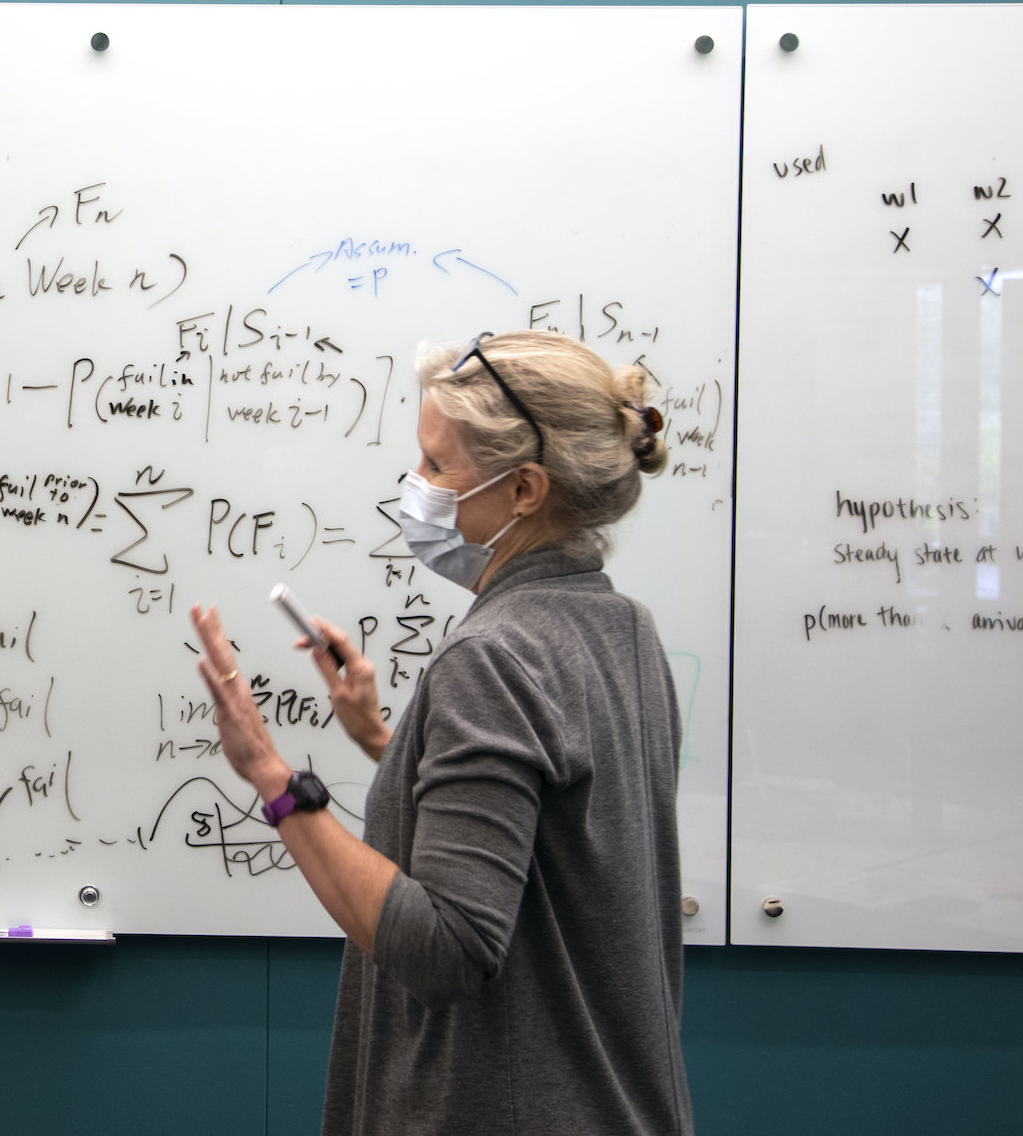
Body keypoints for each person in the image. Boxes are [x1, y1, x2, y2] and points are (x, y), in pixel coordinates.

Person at [190, 330, 693, 1135]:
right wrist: (387, 744)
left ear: (526, 489)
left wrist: (273, 779)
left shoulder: (494, 656)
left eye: (435, 465)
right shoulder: (625, 630)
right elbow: (547, 832)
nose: (413, 488)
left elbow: (449, 948)